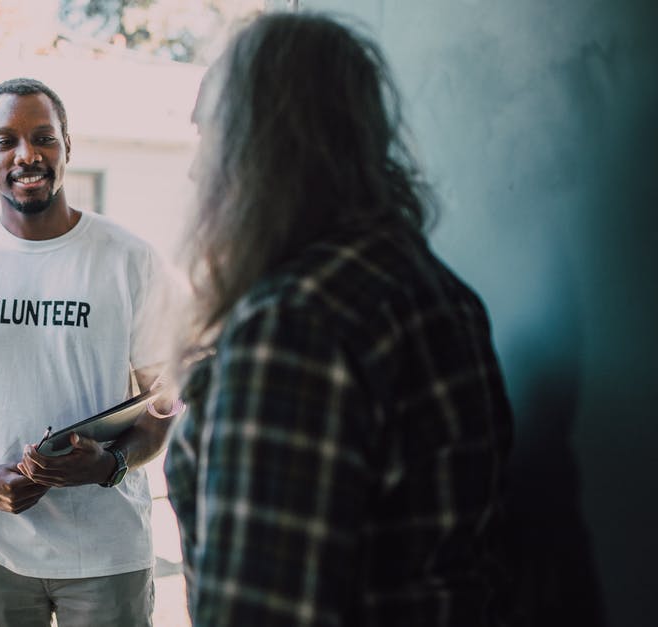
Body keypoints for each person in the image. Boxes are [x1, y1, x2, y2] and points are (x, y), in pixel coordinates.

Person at [163, 13, 513, 626]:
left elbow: (264, 612)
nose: (197, 171)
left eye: (209, 137)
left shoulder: (295, 325)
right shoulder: (435, 290)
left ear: (260, 147)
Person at [0, 77, 178, 626]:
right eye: (6, 140)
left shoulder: (130, 260)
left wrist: (111, 463)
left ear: (67, 146)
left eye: (44, 138)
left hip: (107, 551)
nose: (27, 155)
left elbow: (162, 401)